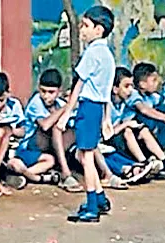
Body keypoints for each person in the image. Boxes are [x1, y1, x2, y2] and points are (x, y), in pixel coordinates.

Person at [57, 5, 116, 223]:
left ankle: (92, 205)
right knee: (84, 154)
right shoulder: (108, 56)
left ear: (99, 30)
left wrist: (65, 114)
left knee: (87, 157)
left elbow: (78, 86)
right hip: (97, 108)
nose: (82, 30)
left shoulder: (92, 54)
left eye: (86, 26)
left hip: (88, 107)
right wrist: (107, 118)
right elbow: (107, 91)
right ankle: (100, 198)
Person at [108, 66, 165, 178]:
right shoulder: (108, 106)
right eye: (126, 86)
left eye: (131, 86)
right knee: (129, 130)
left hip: (124, 135)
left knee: (143, 130)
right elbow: (106, 134)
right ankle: (144, 162)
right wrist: (126, 124)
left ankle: (163, 159)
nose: (130, 90)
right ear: (115, 89)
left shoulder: (123, 103)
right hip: (112, 139)